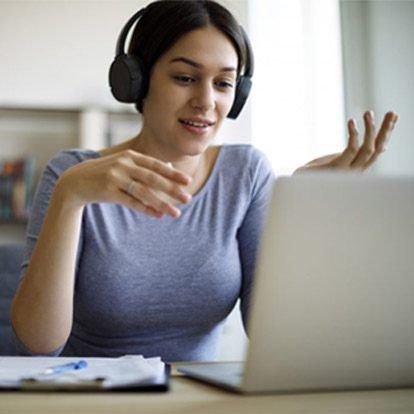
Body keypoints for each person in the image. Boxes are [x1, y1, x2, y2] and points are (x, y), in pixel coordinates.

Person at [11, 0, 398, 362]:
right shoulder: (71, 176)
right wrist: (71, 196)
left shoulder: (245, 174)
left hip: (198, 400)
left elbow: (274, 336)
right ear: (136, 81)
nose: (207, 101)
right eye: (185, 77)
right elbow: (40, 342)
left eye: (224, 83)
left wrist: (301, 216)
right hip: (93, 397)